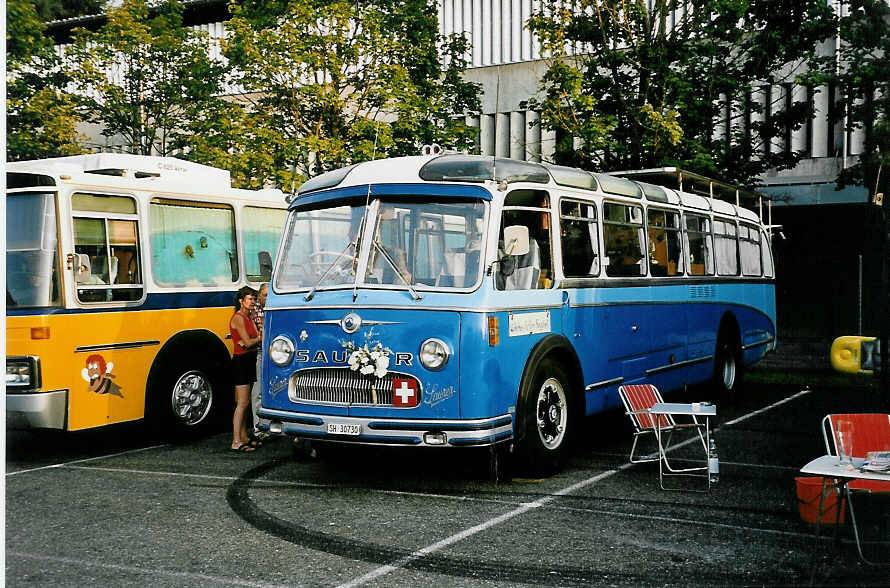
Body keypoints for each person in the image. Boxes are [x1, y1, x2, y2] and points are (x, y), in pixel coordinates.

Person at [230, 286, 261, 452]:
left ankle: (243, 437)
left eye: (254, 299)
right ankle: (236, 441)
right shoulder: (239, 318)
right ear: (241, 301)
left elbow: (251, 340)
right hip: (241, 361)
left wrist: (253, 341)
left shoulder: (249, 317)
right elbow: (248, 342)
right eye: (250, 299)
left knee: (246, 401)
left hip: (249, 359)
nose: (253, 302)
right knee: (241, 403)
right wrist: (256, 340)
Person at [249, 283, 269, 441]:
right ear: (259, 296)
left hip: (276, 352)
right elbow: (261, 329)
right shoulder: (255, 310)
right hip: (261, 352)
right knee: (259, 391)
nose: (268, 298)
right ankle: (258, 428)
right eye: (265, 295)